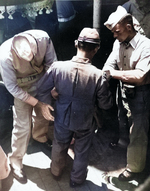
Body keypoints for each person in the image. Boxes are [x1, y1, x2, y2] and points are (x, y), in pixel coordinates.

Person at [37, 27, 113, 187]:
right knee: (82, 151)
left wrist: (47, 105)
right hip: (85, 121)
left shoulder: (57, 67)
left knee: (59, 145)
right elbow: (105, 104)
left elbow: (41, 88)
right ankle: (77, 180)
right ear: (96, 49)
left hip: (61, 117)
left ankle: (56, 172)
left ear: (76, 44)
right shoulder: (98, 75)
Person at [0, 29, 57, 183]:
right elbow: (11, 87)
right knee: (22, 126)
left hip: (43, 82)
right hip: (21, 88)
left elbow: (52, 64)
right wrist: (37, 103)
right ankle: (16, 160)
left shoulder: (44, 39)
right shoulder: (4, 55)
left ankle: (40, 138)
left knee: (43, 116)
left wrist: (53, 88)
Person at [103, 6, 150, 181]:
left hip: (141, 93)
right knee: (123, 120)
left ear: (129, 27)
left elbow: (139, 75)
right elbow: (109, 64)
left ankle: (135, 169)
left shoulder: (146, 46)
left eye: (117, 31)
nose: (115, 36)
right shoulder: (118, 43)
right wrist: (108, 72)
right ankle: (126, 150)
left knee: (138, 130)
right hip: (123, 90)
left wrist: (113, 74)